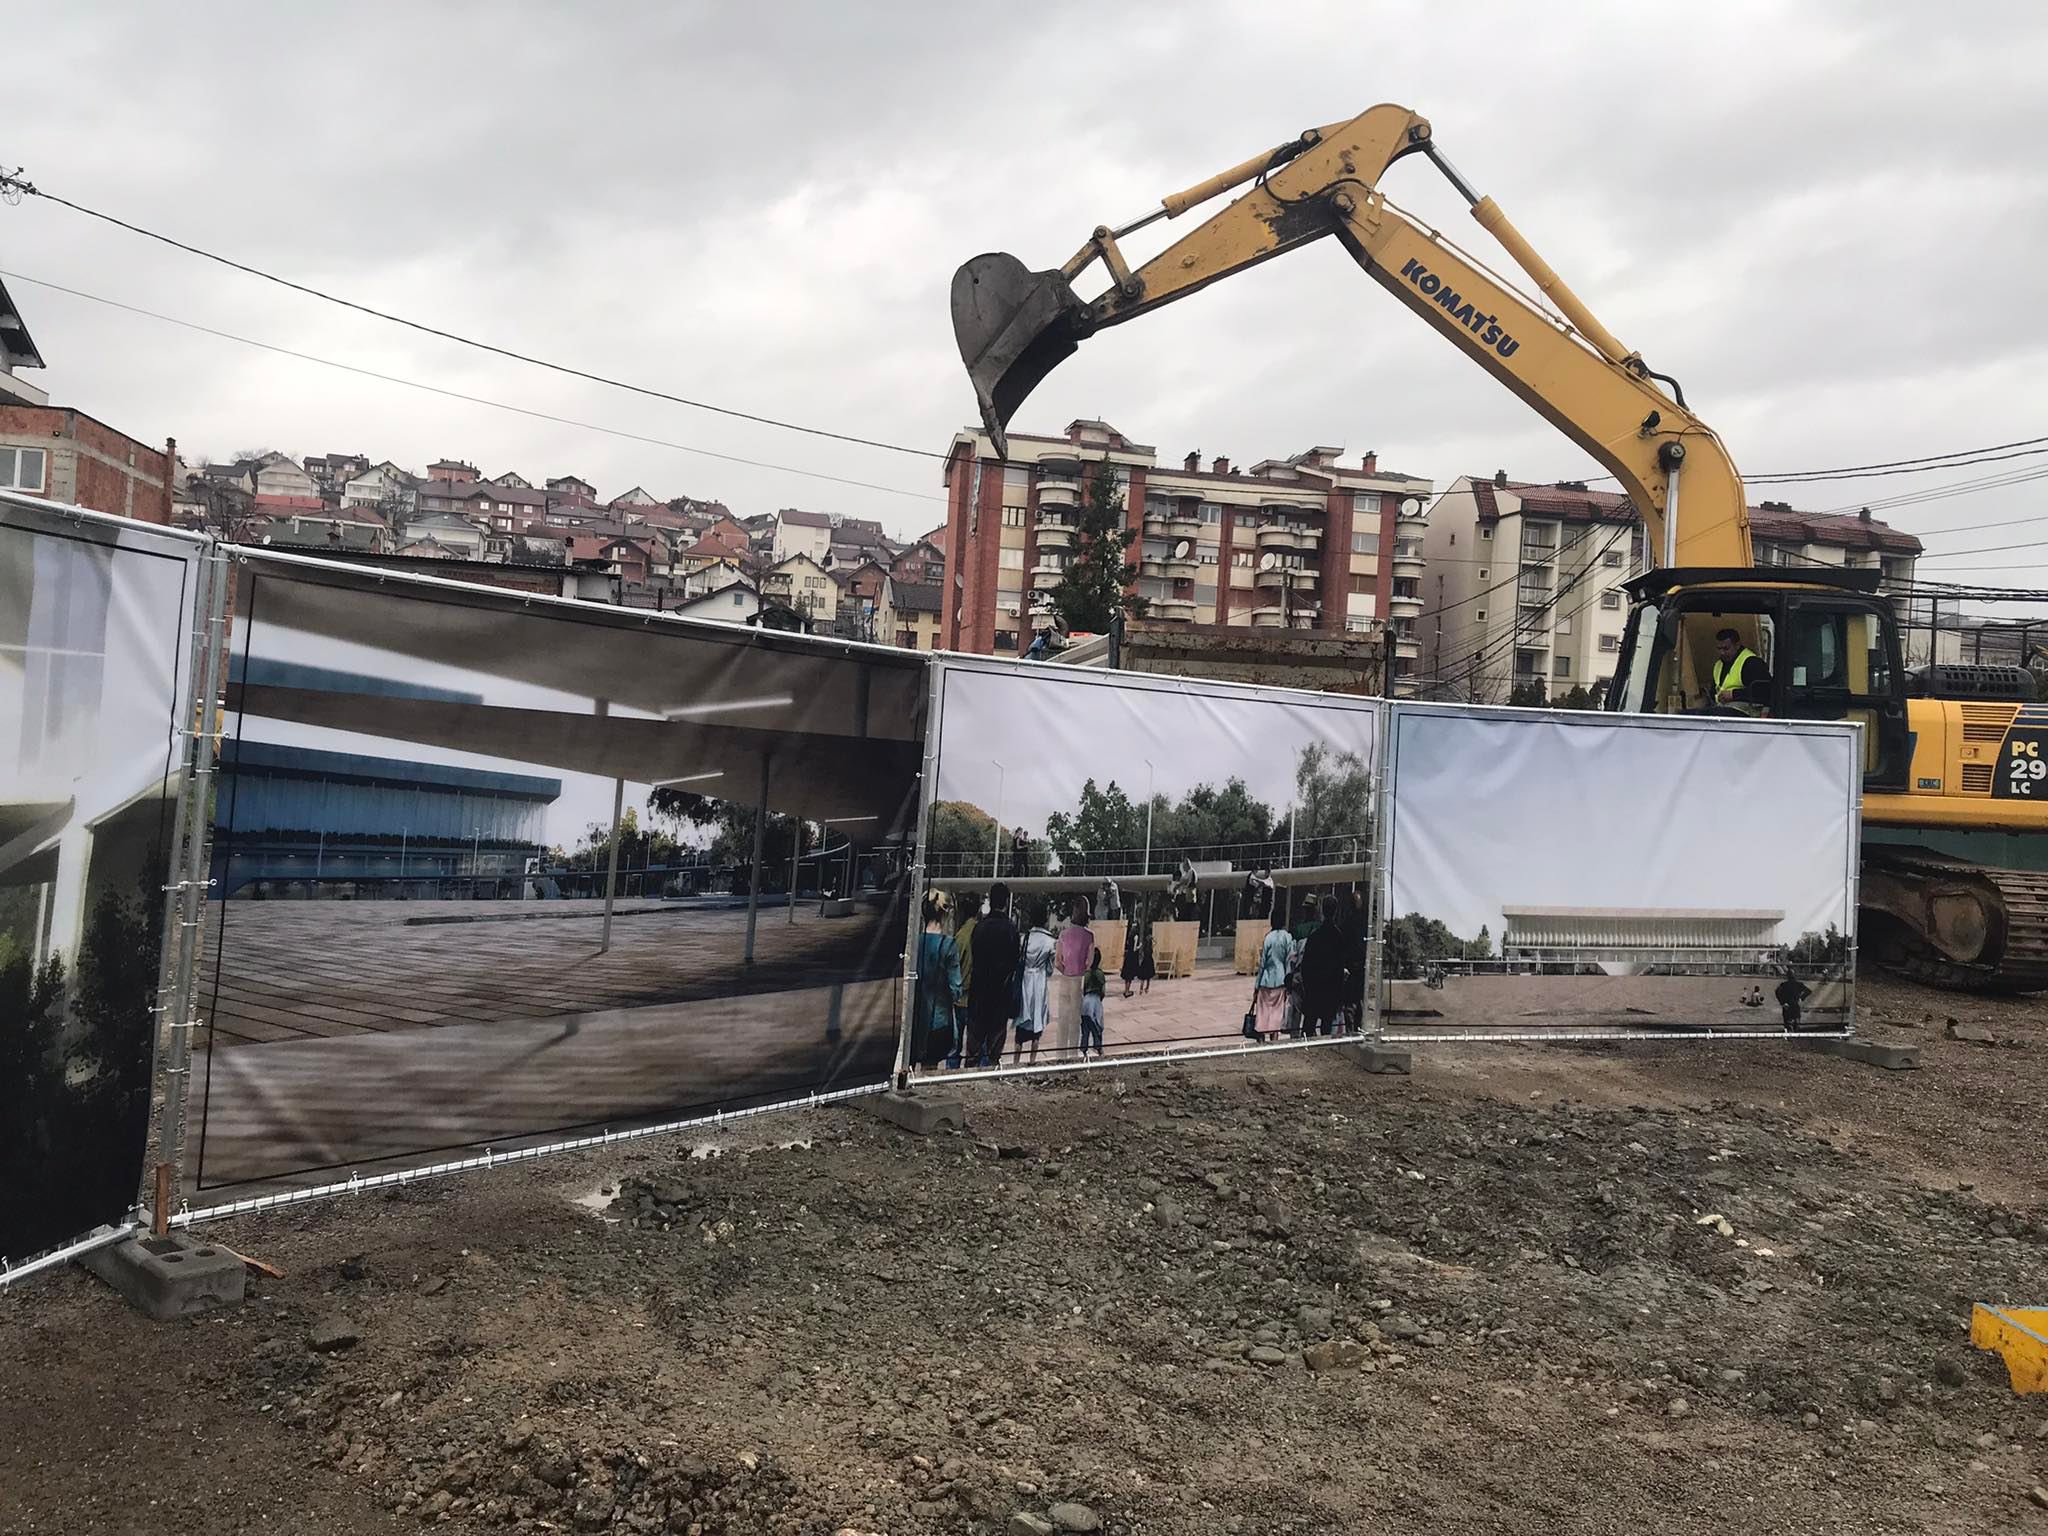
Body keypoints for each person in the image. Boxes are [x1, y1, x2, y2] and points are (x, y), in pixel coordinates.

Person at [965, 882, 1020, 1068]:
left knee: (973, 1050)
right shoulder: (1011, 930)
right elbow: (1014, 962)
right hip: (1000, 996)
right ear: (1005, 902)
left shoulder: (979, 928)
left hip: (978, 994)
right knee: (994, 1053)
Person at [913, 891, 963, 1069]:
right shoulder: (948, 945)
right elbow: (956, 989)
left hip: (915, 1019)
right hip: (939, 1021)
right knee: (930, 1070)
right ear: (944, 914)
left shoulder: (914, 944)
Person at [1298, 894, 1359, 1038]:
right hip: (1331, 989)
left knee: (1309, 1025)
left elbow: (1305, 965)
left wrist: (1307, 986)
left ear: (1322, 910)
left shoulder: (1315, 936)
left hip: (1314, 988)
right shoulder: (1339, 937)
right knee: (1327, 1028)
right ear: (1336, 910)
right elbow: (1341, 964)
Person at [1014, 898, 1057, 1066]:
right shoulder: (1050, 941)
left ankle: (1016, 1063)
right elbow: (1050, 970)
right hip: (1039, 982)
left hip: (1025, 981)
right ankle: (1032, 1062)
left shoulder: (1024, 938)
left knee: (1021, 1023)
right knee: (1036, 1026)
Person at [1051, 894, 1094, 1056]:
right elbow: (1089, 963)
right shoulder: (1089, 936)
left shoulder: (1063, 934)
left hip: (1065, 978)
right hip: (1079, 980)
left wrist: (1065, 970)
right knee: (1075, 1020)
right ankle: (1072, 1054)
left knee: (1063, 1019)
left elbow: (1057, 962)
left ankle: (1059, 1055)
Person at [1252, 907, 1295, 1041]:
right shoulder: (1287, 937)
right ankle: (1274, 1040)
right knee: (1276, 1013)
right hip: (1281, 980)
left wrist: (1256, 986)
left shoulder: (1268, 938)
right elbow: (1289, 961)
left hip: (1266, 979)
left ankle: (1261, 1038)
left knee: (1263, 1012)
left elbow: (1262, 963)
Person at [1708, 627, 1769, 715]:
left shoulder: (1752, 663)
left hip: (1745, 711)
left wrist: (1734, 694)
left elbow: (1763, 692)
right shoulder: (1719, 665)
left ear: (1737, 645)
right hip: (1723, 708)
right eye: (1719, 649)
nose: (1722, 653)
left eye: (1726, 649)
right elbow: (1714, 692)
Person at [950, 897, 981, 1069]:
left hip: (959, 998)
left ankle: (951, 1075)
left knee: (954, 1047)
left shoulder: (960, 936)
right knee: (974, 1046)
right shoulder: (980, 931)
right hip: (977, 998)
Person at [1080, 946, 1107, 1059]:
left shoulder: (1086, 974)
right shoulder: (1101, 974)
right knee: (1097, 1026)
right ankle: (1098, 1047)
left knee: (1085, 1028)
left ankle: (1084, 1049)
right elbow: (1103, 991)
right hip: (1096, 1001)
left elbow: (1082, 989)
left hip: (1086, 1002)